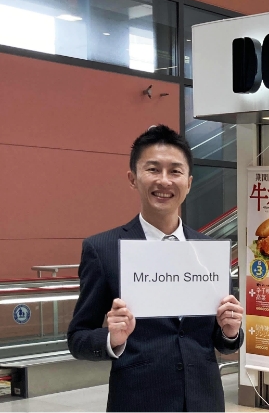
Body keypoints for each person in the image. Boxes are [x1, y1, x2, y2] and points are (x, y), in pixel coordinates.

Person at [67, 125, 244, 412]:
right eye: (153, 169)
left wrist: (230, 332)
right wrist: (112, 339)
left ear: (189, 182)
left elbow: (222, 342)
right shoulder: (104, 249)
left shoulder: (210, 252)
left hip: (204, 402)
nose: (164, 180)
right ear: (133, 178)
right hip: (139, 402)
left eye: (175, 171)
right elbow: (78, 337)